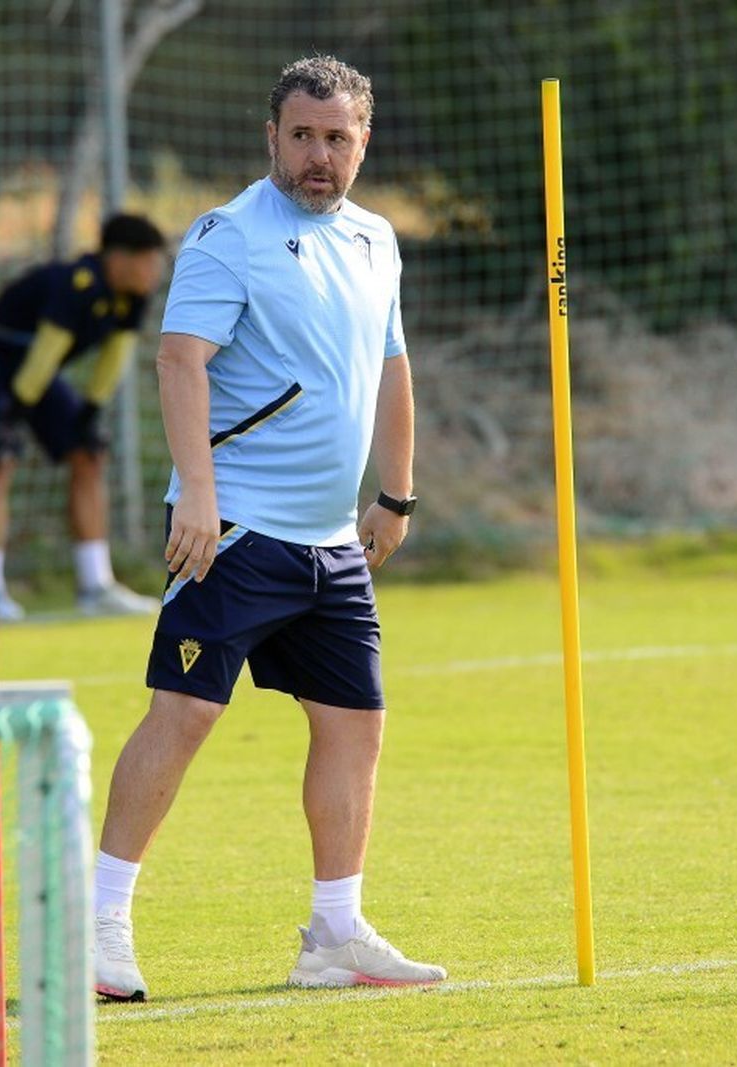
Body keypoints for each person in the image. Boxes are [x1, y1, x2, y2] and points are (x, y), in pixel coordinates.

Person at [91, 56, 444, 1001]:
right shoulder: (229, 236)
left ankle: (334, 935)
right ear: (272, 137)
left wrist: (396, 494)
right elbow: (178, 361)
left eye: (337, 138)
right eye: (302, 135)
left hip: (333, 539)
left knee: (355, 725)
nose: (319, 156)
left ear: (363, 141)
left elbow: (392, 369)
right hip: (236, 527)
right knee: (187, 709)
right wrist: (198, 496)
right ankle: (98, 926)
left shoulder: (377, 241)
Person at [0, 213, 168, 620]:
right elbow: (49, 347)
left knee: (89, 452)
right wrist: (14, 410)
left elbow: (116, 353)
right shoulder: (77, 284)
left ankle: (95, 585)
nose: (156, 272)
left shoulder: (132, 297)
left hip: (33, 373)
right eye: (149, 260)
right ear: (119, 258)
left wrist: (92, 409)